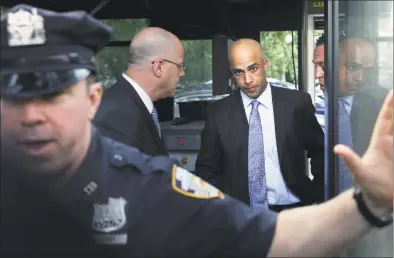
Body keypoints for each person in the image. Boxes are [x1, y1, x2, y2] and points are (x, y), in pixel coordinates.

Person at [1, 4, 393, 257]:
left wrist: (370, 204)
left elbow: (278, 238)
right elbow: (211, 168)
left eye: (53, 95)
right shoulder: (218, 114)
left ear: (92, 99)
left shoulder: (146, 184)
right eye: (14, 98)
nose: (33, 116)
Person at [195, 39, 325, 211]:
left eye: (253, 68)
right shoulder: (218, 113)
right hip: (240, 214)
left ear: (265, 64)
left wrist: (318, 195)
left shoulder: (297, 103)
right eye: (238, 72)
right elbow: (207, 169)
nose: (247, 80)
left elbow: (321, 152)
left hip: (293, 208)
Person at [312, 34, 389, 191]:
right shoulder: (315, 107)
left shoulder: (382, 106)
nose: (317, 74)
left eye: (324, 66)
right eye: (316, 66)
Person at [94, 27, 186, 156]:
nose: (182, 73)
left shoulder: (132, 105)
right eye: (180, 66)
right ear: (159, 67)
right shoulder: (116, 116)